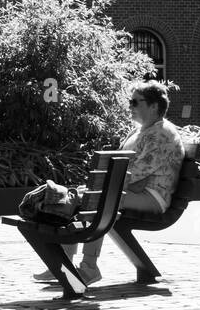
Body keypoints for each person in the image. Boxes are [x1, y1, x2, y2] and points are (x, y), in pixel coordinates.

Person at [34, 80, 185, 285]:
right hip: (134, 191)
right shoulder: (141, 131)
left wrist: (104, 187)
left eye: (135, 102)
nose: (130, 106)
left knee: (99, 200)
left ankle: (89, 268)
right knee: (83, 196)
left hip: (152, 197)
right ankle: (64, 263)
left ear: (154, 106)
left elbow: (135, 174)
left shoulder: (162, 134)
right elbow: (126, 172)